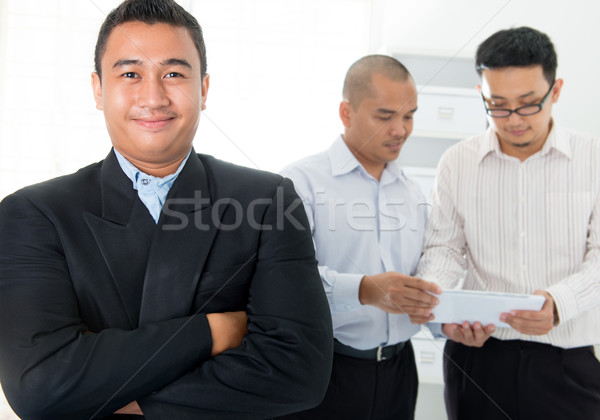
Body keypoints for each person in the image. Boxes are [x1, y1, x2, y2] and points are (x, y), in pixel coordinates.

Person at [0, 0, 333, 418]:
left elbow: (298, 371)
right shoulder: (35, 213)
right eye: (130, 74)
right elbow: (39, 385)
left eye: (173, 73)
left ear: (204, 90)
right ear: (98, 89)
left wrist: (122, 399)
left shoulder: (267, 200)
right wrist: (212, 331)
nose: (153, 97)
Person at [416, 27, 600, 420]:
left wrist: (557, 303)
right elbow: (444, 249)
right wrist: (445, 307)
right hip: (478, 359)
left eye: (529, 103)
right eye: (497, 104)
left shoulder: (593, 159)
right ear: (481, 95)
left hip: (568, 363)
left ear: (557, 89)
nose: (513, 119)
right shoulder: (457, 162)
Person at [277, 55, 442, 420]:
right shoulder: (299, 183)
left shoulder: (413, 192)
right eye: (385, 116)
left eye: (409, 115)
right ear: (346, 112)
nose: (400, 129)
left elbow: (421, 280)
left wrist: (448, 317)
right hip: (326, 371)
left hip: (400, 372)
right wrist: (365, 289)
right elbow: (283, 283)